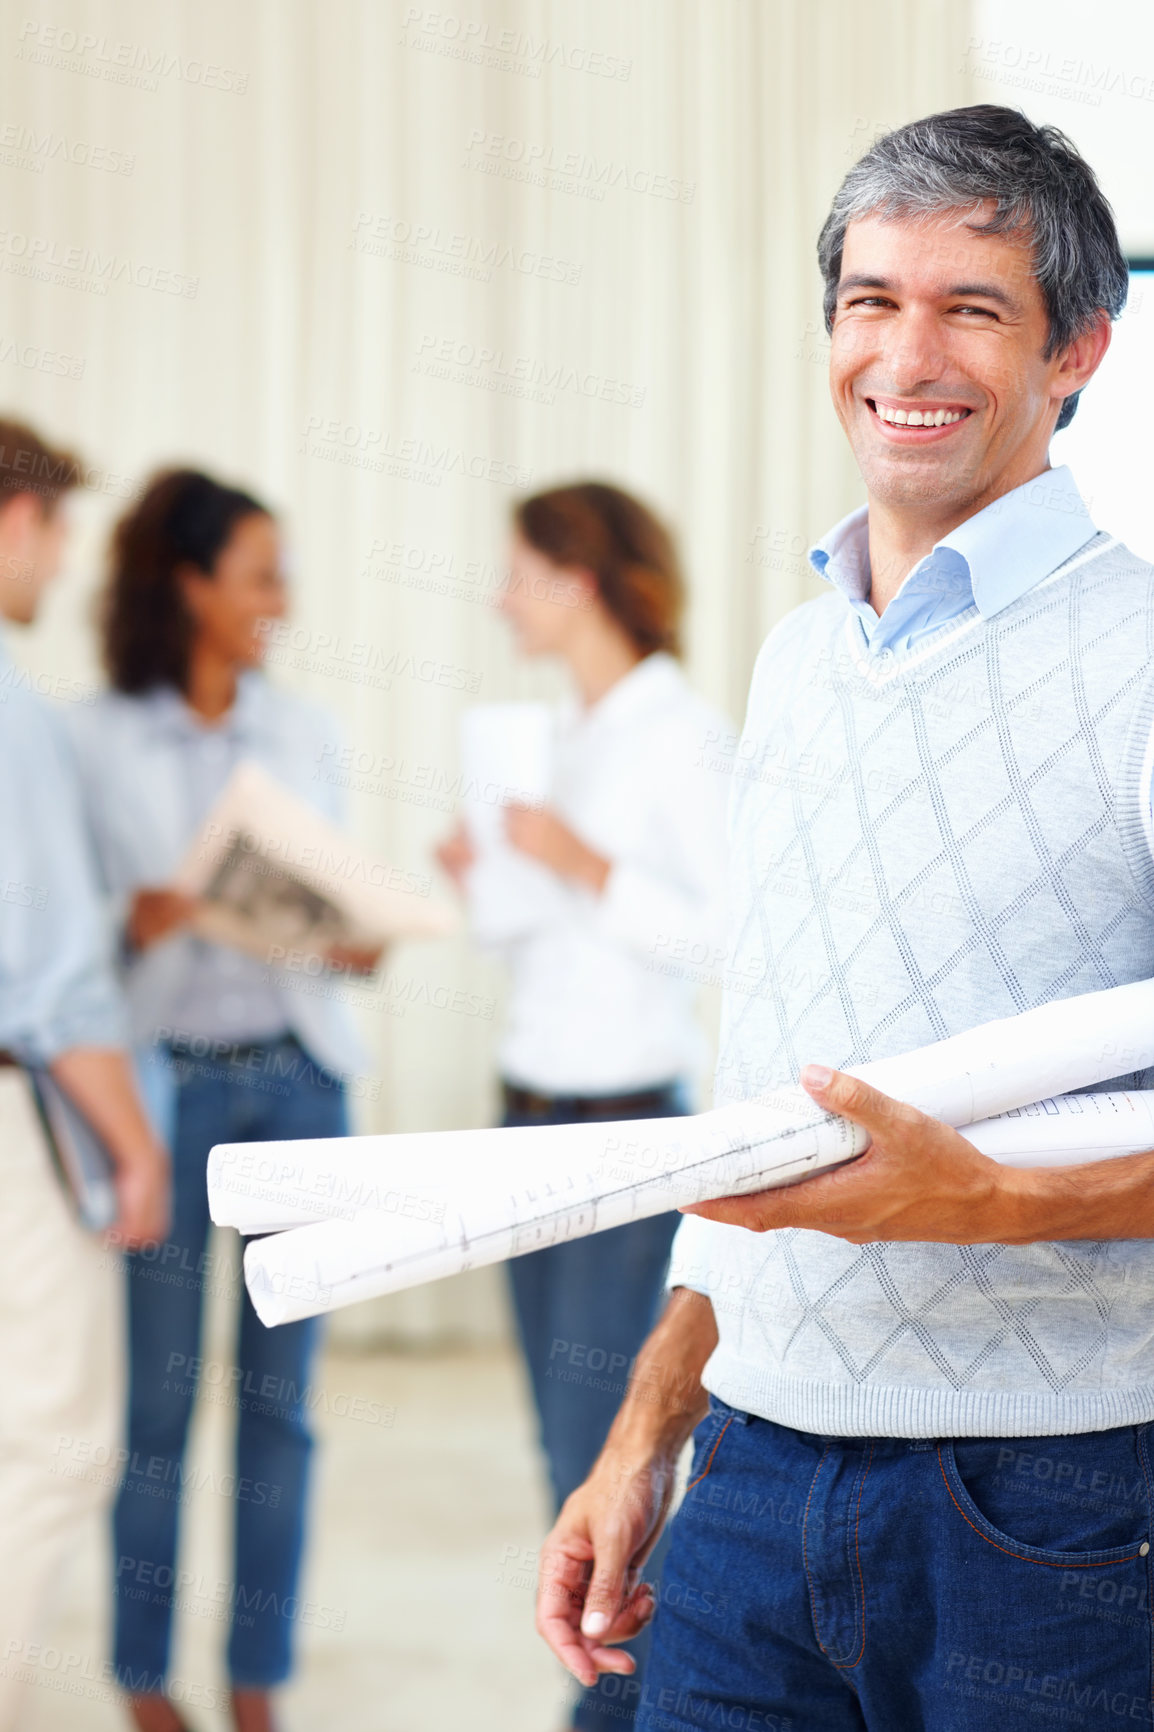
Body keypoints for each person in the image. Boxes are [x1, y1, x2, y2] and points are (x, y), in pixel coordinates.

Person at [536, 107, 1154, 1729]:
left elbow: (964, 1187)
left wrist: (989, 1204)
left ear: (1075, 348)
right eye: (869, 299)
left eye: (970, 306)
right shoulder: (794, 664)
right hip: (744, 1474)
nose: (906, 350)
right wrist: (641, 1430)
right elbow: (753, 1103)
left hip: (1052, 1509)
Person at [70, 469, 375, 1732]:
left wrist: (349, 930)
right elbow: (44, 942)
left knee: (279, 1410)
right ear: (188, 584)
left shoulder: (301, 735)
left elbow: (345, 921)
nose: (280, 601)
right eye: (260, 573)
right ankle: (146, 1684)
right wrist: (126, 918)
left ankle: (257, 1684)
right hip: (164, 1097)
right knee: (154, 1406)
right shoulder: (89, 742)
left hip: (297, 1089)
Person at [439, 481, 730, 1731]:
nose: (502, 598)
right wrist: (489, 876)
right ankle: (610, 1692)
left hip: (622, 1129)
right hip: (528, 1117)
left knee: (614, 1448)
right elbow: (539, 936)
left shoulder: (679, 732)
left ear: (581, 577)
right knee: (562, 1449)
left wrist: (583, 864)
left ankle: (617, 1708)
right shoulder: (553, 732)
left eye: (519, 572)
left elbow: (726, 934)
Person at [0, 419, 169, 1732]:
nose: (52, 566)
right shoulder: (16, 713)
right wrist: (134, 1144)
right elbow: (55, 976)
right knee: (56, 1441)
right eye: (49, 531)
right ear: (15, 520)